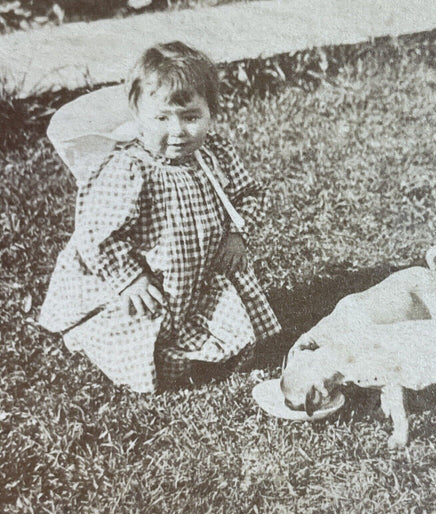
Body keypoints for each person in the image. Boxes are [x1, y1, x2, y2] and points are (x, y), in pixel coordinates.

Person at [39, 41, 281, 393]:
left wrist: (236, 233)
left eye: (191, 117)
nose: (178, 131)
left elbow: (249, 195)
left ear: (211, 111)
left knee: (243, 341)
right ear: (138, 116)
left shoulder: (215, 154)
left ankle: (205, 340)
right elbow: (98, 234)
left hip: (200, 275)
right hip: (151, 284)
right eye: (162, 118)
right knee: (147, 351)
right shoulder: (131, 170)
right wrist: (130, 279)